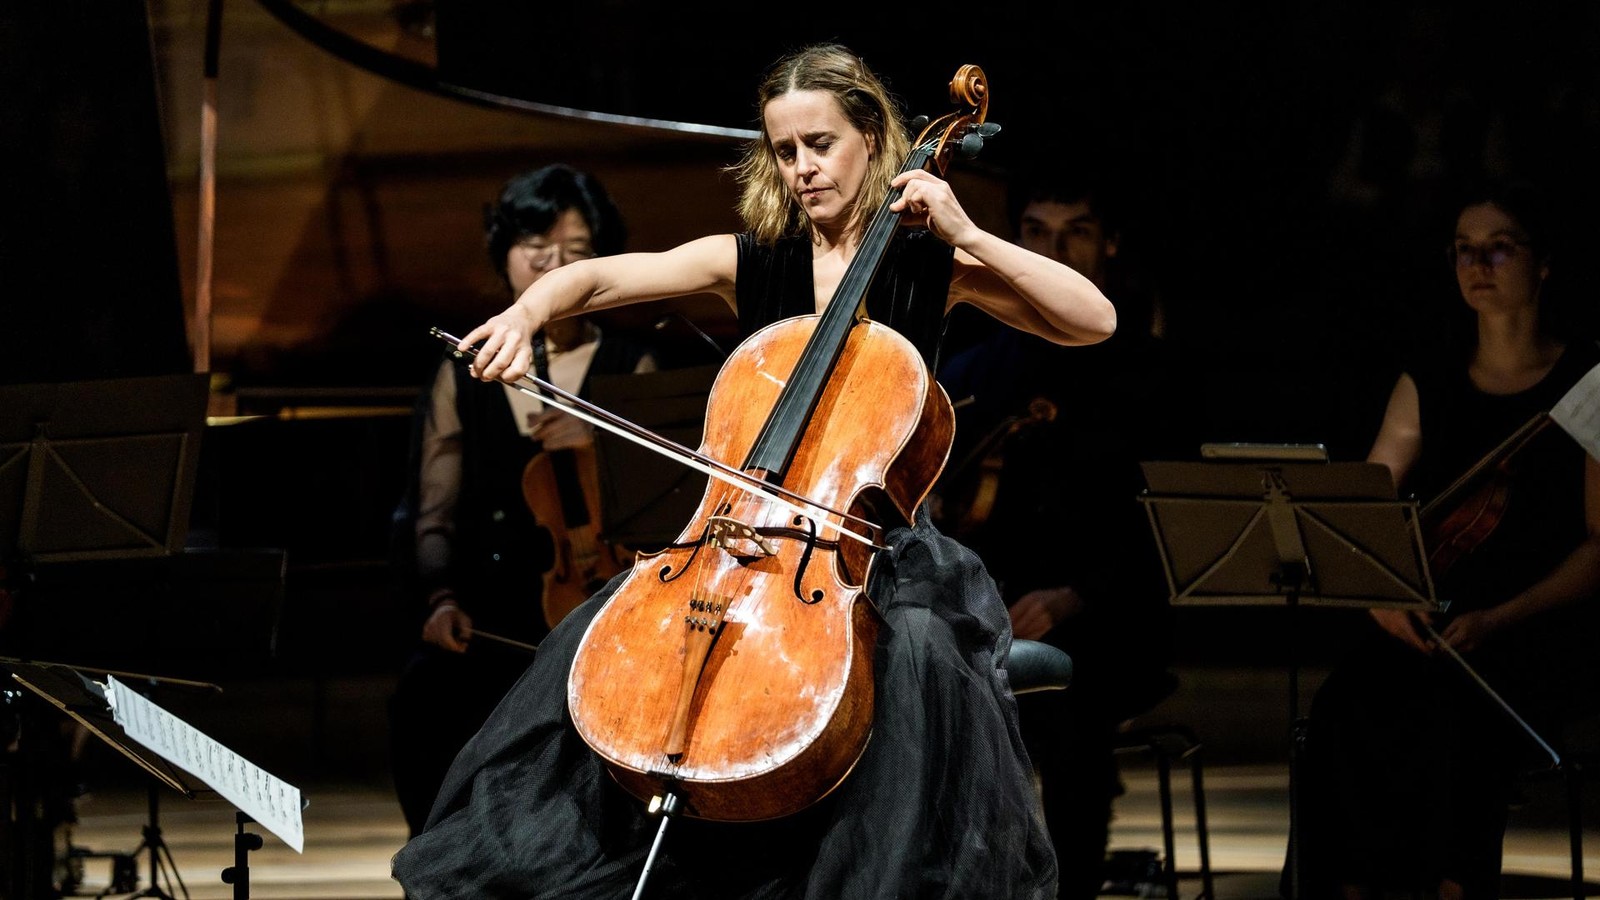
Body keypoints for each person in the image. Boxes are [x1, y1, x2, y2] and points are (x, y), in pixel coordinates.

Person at [390, 42, 1116, 899]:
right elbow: (596, 281)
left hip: (875, 560)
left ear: (873, 136)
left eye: (821, 143)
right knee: (602, 643)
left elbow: (1091, 319)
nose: (803, 168)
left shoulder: (933, 265)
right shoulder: (756, 260)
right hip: (742, 547)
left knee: (917, 654)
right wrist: (525, 309)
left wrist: (967, 231)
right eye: (785, 150)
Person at [1292, 176, 1600, 899]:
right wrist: (1380, 600)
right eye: (1464, 251)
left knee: (1451, 718)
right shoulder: (1427, 378)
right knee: (1344, 707)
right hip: (1428, 618)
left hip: (1534, 624)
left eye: (1499, 249)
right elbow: (1365, 510)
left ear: (1543, 262)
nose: (1477, 266)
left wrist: (1498, 618)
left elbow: (1598, 545)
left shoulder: (1588, 382)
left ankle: (1450, 887)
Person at [935, 167, 1186, 899]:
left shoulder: (1151, 373)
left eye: (1075, 232)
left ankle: (1068, 886)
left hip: (1111, 615)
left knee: (1065, 710)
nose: (1056, 249)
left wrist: (1074, 597)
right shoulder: (979, 365)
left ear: (1109, 244)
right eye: (1037, 233)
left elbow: (1165, 524)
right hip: (992, 604)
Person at [386, 163, 656, 838]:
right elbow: (435, 508)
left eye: (577, 255)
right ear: (504, 255)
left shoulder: (631, 365)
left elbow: (664, 510)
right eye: (537, 250)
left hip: (603, 614)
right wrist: (441, 599)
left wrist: (600, 442)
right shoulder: (464, 370)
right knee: (420, 702)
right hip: (489, 618)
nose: (554, 268)